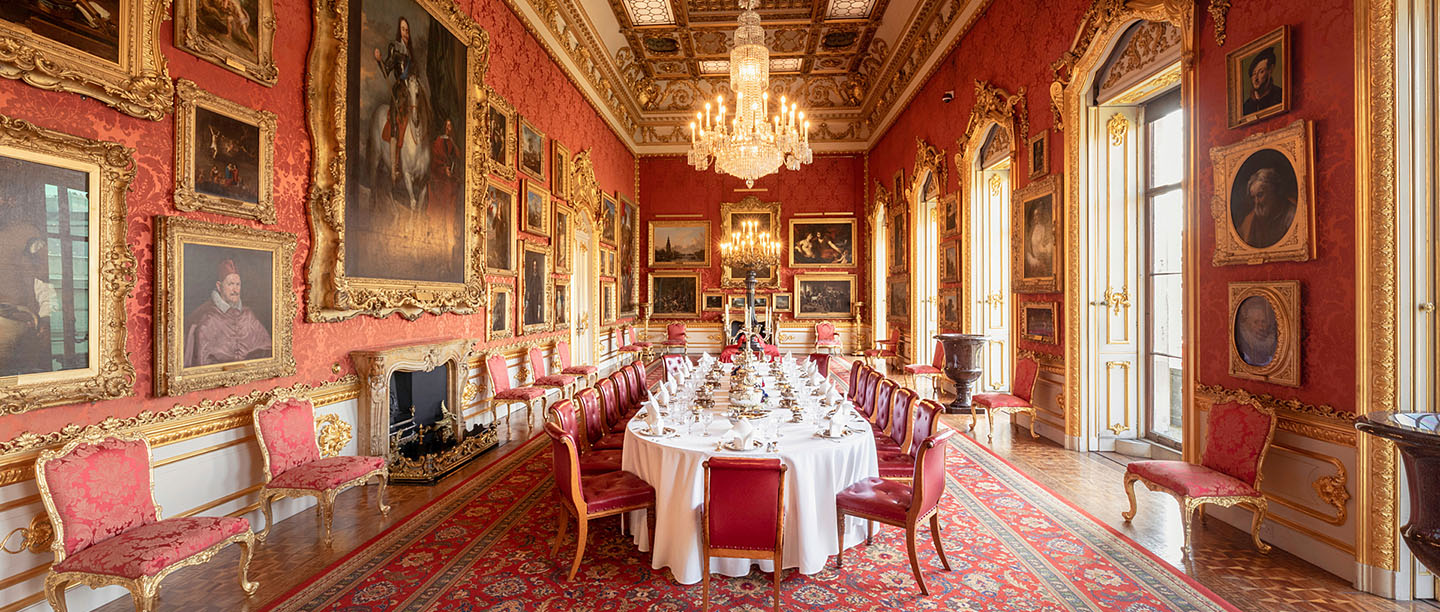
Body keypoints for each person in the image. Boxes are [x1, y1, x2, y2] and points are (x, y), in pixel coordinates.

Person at [184, 259, 272, 367]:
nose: (235, 290)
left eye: (238, 284)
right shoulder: (206, 317)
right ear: (219, 286)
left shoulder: (248, 315)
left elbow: (267, 349)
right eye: (230, 284)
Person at [375, 17, 415, 179]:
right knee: (395, 123)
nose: (405, 33)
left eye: (407, 30)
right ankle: (393, 168)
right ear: (399, 31)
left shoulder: (412, 53)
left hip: (411, 91)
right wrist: (379, 60)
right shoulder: (395, 48)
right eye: (403, 29)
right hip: (399, 92)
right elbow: (386, 69)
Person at [1235, 167, 1296, 248]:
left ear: (1274, 192)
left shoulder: (1292, 214)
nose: (1256, 202)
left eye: (1260, 195)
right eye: (1253, 197)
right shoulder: (1249, 221)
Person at [1234, 297, 1278, 367]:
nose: (1261, 327)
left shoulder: (1274, 343)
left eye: (1263, 322)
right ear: (1247, 325)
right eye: (1256, 322)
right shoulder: (1243, 345)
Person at [1243, 47, 1283, 116]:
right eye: (1254, 74)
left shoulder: (1280, 96)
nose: (1255, 79)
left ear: (1270, 70)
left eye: (1261, 72)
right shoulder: (1246, 106)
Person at [1024, 201, 1054, 277]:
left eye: (1037, 215)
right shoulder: (1033, 229)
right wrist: (1032, 259)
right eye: (1034, 215)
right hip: (1034, 262)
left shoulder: (1046, 229)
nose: (1035, 218)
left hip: (1043, 262)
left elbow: (1048, 247)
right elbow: (1029, 247)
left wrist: (1044, 251)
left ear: (1041, 215)